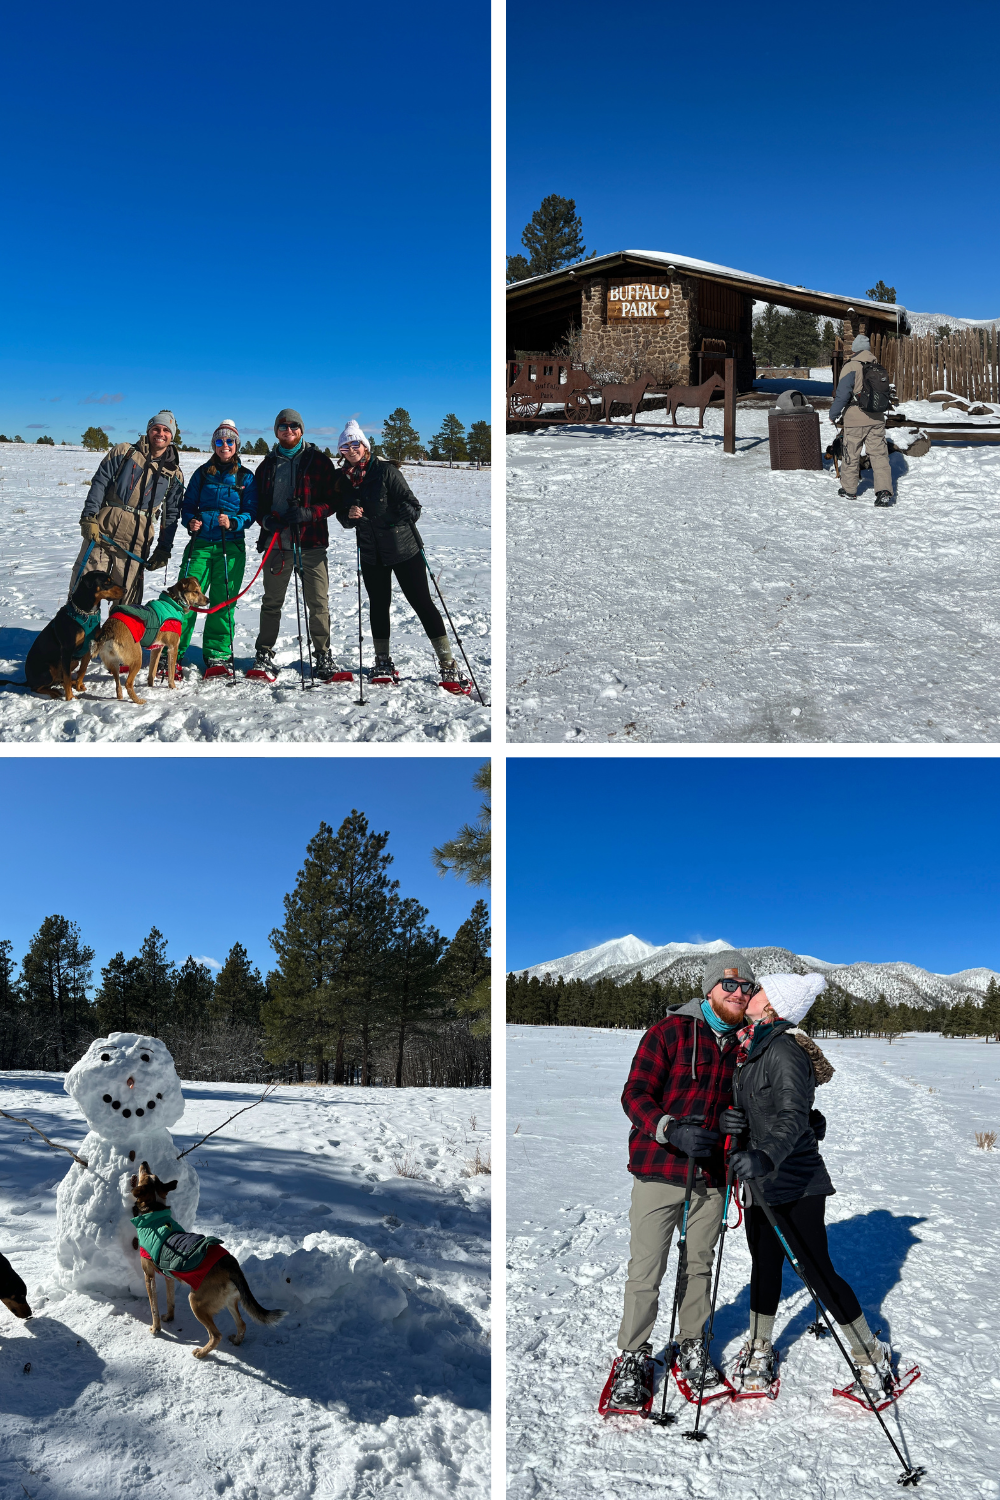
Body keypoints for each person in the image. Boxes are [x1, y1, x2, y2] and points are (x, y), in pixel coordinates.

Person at [722, 973, 895, 1401]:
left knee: (816, 1271)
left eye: (757, 989)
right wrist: (734, 1120)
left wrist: (765, 1154)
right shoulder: (751, 1048)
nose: (748, 993)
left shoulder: (782, 1048)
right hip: (760, 1179)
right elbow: (767, 1108)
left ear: (773, 1005)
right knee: (764, 1266)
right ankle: (760, 1346)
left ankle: (870, 1353)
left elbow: (793, 1115)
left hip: (795, 1180)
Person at [606, 949, 757, 1411]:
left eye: (746, 987)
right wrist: (669, 1128)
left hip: (712, 1176)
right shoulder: (669, 1032)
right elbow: (634, 1094)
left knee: (699, 1266)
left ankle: (692, 1342)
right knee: (646, 1269)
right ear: (709, 989)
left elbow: (757, 1101)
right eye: (729, 984)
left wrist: (738, 1127)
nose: (738, 993)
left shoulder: (746, 1046)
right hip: (659, 1168)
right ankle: (633, 1355)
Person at [333, 420, 468, 691]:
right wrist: (349, 516)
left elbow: (413, 505)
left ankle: (448, 664)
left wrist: (403, 512)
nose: (351, 449)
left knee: (422, 603)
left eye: (355, 443)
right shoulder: (343, 480)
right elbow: (342, 516)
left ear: (365, 445)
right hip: (371, 553)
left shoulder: (385, 471)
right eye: (345, 447)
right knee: (378, 605)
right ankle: (382, 661)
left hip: (404, 549)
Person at [248, 409, 341, 683]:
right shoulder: (266, 466)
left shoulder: (319, 462)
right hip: (277, 544)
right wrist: (266, 520)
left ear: (301, 429)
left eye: (293, 425)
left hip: (311, 544)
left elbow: (333, 502)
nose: (288, 430)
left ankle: (323, 654)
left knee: (318, 603)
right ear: (276, 431)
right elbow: (256, 505)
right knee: (271, 602)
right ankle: (264, 652)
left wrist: (308, 513)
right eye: (283, 426)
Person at [71, 411, 185, 605]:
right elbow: (100, 482)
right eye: (156, 428)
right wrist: (89, 516)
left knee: (127, 601)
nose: (160, 433)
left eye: (166, 430)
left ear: (171, 436)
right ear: (148, 430)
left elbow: (171, 514)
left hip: (137, 540)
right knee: (85, 591)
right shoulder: (124, 452)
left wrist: (164, 548)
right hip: (103, 531)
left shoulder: (174, 474)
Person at [172, 420, 257, 680]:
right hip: (200, 545)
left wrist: (234, 522)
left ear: (236, 444)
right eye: (220, 441)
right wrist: (190, 521)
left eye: (230, 441)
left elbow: (251, 511)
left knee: (223, 600)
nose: (225, 445)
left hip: (230, 547)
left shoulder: (245, 477)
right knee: (184, 599)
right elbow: (188, 505)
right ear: (214, 445)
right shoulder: (202, 474)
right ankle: (172, 651)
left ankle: (218, 653)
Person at [829, 334, 894, 507]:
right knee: (879, 455)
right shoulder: (877, 366)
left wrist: (833, 414)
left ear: (854, 349)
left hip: (855, 418)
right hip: (877, 418)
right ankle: (884, 491)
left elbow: (843, 394)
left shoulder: (851, 366)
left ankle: (849, 489)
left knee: (851, 453)